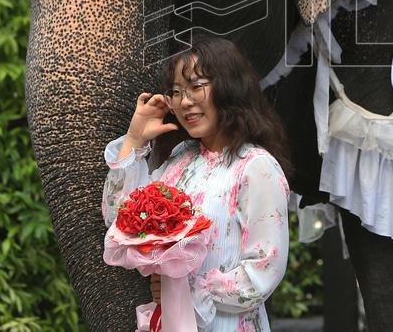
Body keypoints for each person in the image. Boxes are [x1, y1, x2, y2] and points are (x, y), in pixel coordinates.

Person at [102, 34, 294, 331]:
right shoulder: (180, 161)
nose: (185, 102)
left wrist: (185, 290)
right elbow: (123, 221)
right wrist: (134, 140)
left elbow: (264, 269)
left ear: (229, 87)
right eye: (176, 92)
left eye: (196, 87)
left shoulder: (255, 167)